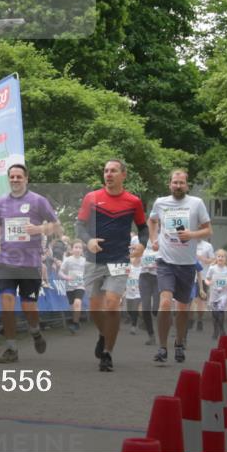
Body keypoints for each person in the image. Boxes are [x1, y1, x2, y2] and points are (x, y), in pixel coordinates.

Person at [75, 159, 148, 372]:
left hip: (119, 260)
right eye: (106, 171)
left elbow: (143, 229)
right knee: (95, 308)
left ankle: (107, 353)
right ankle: (103, 334)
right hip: (94, 260)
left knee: (113, 302)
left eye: (113, 171)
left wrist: (142, 245)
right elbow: (79, 225)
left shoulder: (133, 201)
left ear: (123, 175)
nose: (108, 174)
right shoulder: (92, 197)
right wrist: (88, 240)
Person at [0, 163, 61, 364]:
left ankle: (35, 331)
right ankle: (11, 349)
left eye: (18, 177)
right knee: (6, 304)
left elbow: (56, 225)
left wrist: (39, 229)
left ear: (26, 178)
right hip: (5, 260)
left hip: (30, 263)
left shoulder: (38, 201)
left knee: (28, 306)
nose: (15, 180)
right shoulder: (1, 202)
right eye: (12, 177)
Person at [148, 169, 212, 364]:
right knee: (165, 303)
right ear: (170, 184)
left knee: (183, 309)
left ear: (187, 185)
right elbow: (152, 221)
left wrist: (191, 235)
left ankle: (179, 343)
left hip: (187, 264)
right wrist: (153, 239)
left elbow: (209, 229)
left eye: (181, 183)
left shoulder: (196, 203)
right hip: (165, 262)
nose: (178, 186)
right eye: (175, 182)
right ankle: (162, 347)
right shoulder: (160, 202)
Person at [204, 249, 227, 339]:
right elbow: (207, 279)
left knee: (220, 311)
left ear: (226, 258)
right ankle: (216, 330)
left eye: (222, 256)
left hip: (223, 293)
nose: (220, 258)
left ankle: (222, 330)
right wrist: (208, 283)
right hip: (214, 293)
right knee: (215, 313)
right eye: (219, 256)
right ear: (216, 258)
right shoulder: (212, 268)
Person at [59, 240, 87, 333]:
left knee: (77, 303)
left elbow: (89, 272)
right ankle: (77, 322)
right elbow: (60, 272)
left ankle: (75, 323)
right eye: (76, 247)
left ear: (82, 250)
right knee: (72, 306)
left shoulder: (85, 261)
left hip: (80, 285)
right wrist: (66, 277)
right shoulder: (68, 260)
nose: (78, 249)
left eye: (80, 248)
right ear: (72, 249)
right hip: (69, 286)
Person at [138, 237, 159, 346]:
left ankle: (163, 331)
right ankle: (151, 335)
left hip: (158, 277)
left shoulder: (162, 237)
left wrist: (158, 264)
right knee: (145, 307)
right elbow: (135, 259)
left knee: (156, 308)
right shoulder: (140, 239)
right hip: (144, 276)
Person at [193, 238, 215, 331]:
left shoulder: (207, 246)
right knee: (191, 299)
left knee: (200, 299)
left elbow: (213, 260)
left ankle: (199, 320)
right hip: (188, 276)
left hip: (202, 276)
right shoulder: (187, 243)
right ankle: (189, 320)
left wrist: (203, 259)